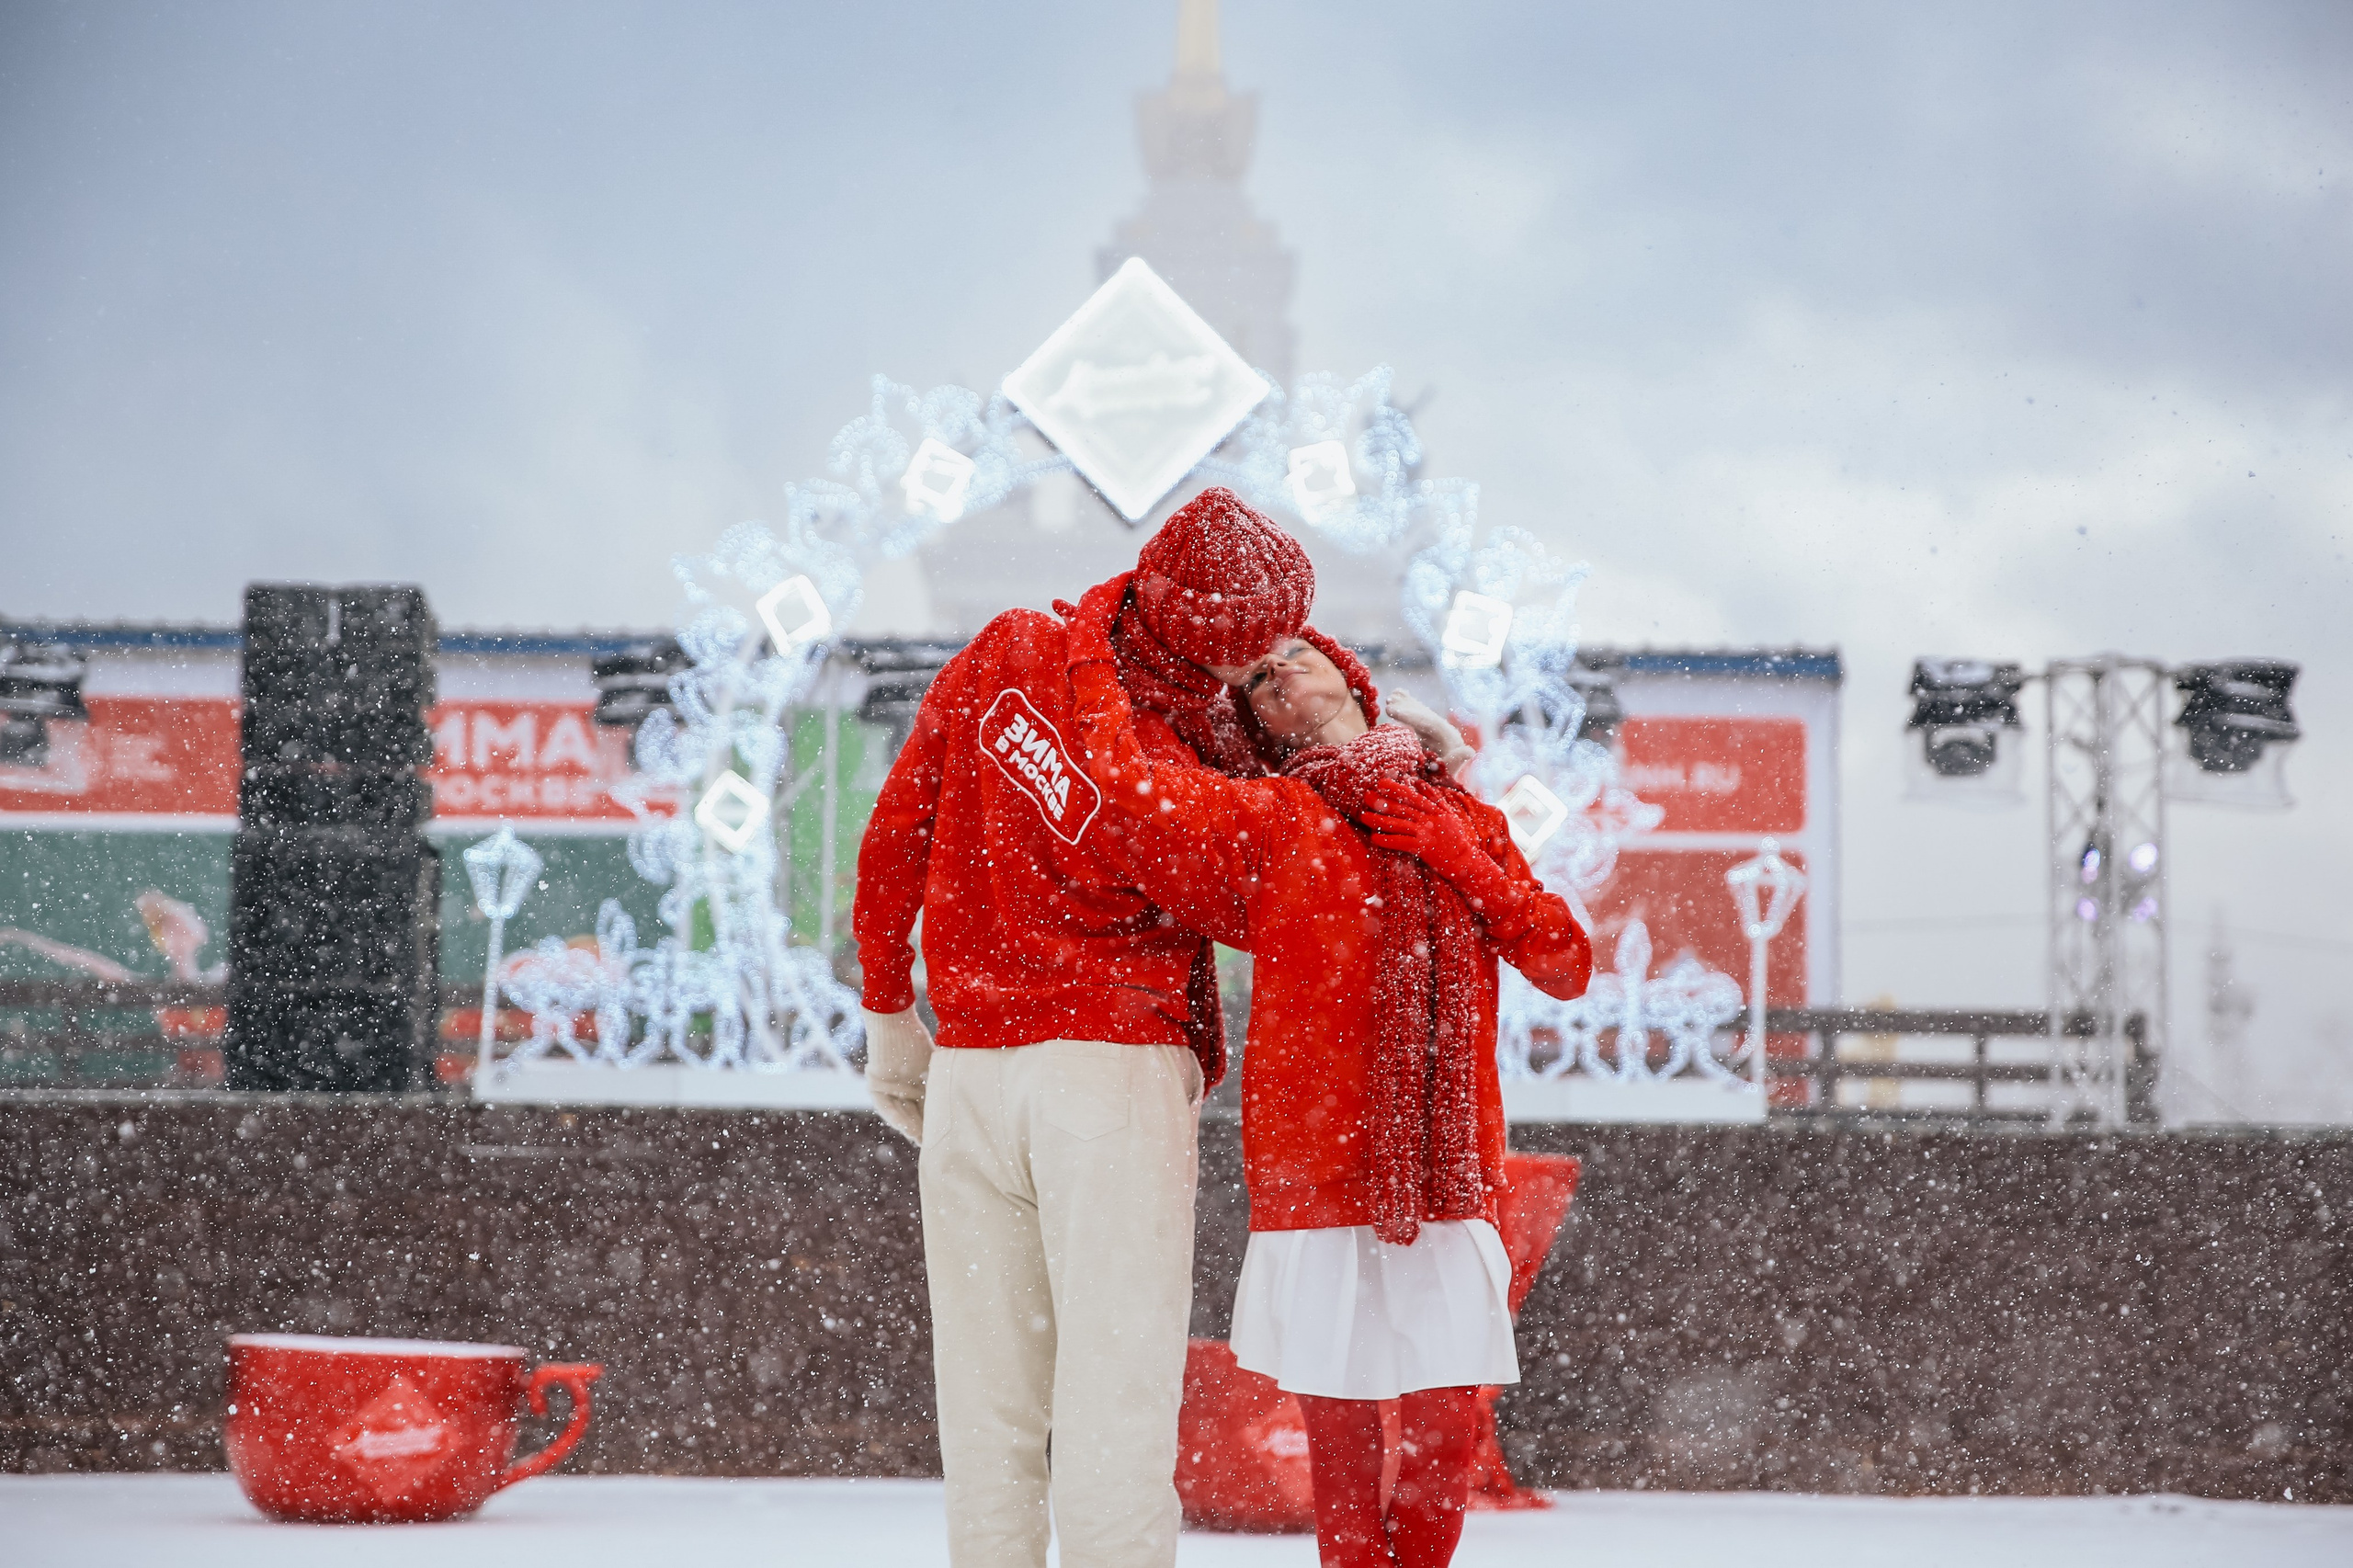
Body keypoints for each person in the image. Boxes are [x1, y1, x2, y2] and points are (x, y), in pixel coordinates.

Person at [1059, 585, 1593, 1568]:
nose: (1275, 676)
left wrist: (1457, 860)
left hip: (1444, 1170)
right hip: (1314, 1170)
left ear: (1347, 673)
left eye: (1287, 655)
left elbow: (1563, 960)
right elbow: (1134, 789)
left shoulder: (1464, 817)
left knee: (1442, 1445)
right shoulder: (1270, 818)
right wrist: (1100, 648)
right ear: (1255, 727)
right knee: (1340, 1470)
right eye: (1255, 681)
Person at [850, 487, 1314, 1568]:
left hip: (967, 1070)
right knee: (1115, 1405)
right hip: (1111, 1072)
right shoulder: (1201, 748)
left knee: (987, 1410)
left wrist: (886, 1009)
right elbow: (1256, 901)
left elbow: (896, 830)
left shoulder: (1009, 646)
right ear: (1238, 645)